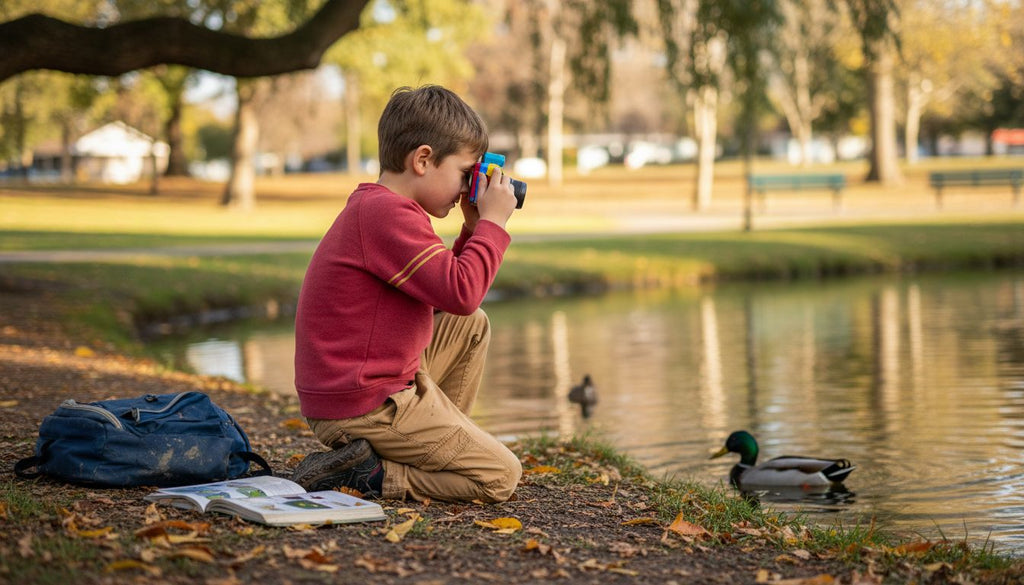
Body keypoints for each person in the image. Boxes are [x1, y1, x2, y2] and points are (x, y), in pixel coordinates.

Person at [290, 85, 522, 503]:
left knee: (469, 325)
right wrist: (494, 225)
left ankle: (438, 445)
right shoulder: (387, 214)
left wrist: (471, 228)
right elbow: (464, 290)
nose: (468, 188)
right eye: (465, 174)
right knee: (501, 476)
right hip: (362, 404)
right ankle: (376, 477)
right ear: (423, 159)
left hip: (366, 385)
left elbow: (444, 296)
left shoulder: (385, 207)